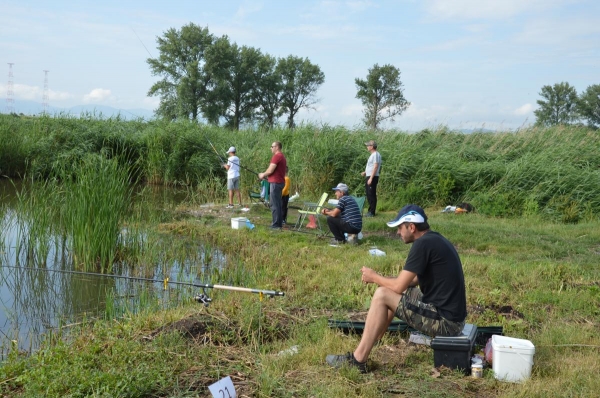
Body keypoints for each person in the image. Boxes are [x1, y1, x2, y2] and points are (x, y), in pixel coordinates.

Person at [326, 204, 467, 373]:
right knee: (390, 290)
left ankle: (358, 360)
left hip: (447, 324)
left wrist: (374, 277)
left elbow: (399, 285)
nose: (398, 232)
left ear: (412, 227)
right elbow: (411, 281)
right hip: (453, 318)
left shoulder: (422, 244)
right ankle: (375, 338)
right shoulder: (434, 239)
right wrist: (384, 280)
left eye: (400, 228)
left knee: (382, 294)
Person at [258, 141, 287, 229]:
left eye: (272, 146)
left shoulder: (277, 156)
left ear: (277, 147)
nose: (271, 148)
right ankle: (278, 224)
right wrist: (267, 177)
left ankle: (275, 225)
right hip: (279, 182)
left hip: (276, 184)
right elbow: (275, 172)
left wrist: (262, 174)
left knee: (274, 204)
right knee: (277, 204)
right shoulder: (282, 157)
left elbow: (270, 170)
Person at [361, 140, 381, 217]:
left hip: (372, 177)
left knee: (371, 194)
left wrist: (371, 178)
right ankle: (370, 211)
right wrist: (365, 172)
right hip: (370, 176)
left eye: (368, 145)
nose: (367, 147)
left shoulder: (375, 154)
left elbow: (376, 166)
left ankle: (371, 212)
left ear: (372, 147)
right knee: (369, 194)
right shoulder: (373, 154)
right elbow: (372, 166)